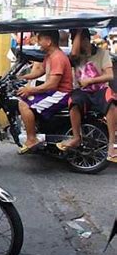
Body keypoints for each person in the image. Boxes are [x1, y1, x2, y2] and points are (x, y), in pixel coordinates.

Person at [56, 29, 116, 163]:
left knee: (111, 103)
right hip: (82, 92)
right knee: (73, 101)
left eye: (75, 40)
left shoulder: (102, 53)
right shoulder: (76, 57)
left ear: (85, 40)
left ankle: (112, 144)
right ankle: (77, 137)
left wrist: (90, 81)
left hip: (99, 89)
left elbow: (110, 75)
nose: (73, 43)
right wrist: (79, 31)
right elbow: (74, 53)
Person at [16, 30, 73, 154]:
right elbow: (40, 71)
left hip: (60, 94)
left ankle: (32, 139)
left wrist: (30, 89)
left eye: (40, 40)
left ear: (48, 41)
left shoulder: (57, 57)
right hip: (53, 91)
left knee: (23, 104)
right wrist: (22, 78)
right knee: (26, 98)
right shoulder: (50, 55)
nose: (38, 43)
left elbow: (52, 84)